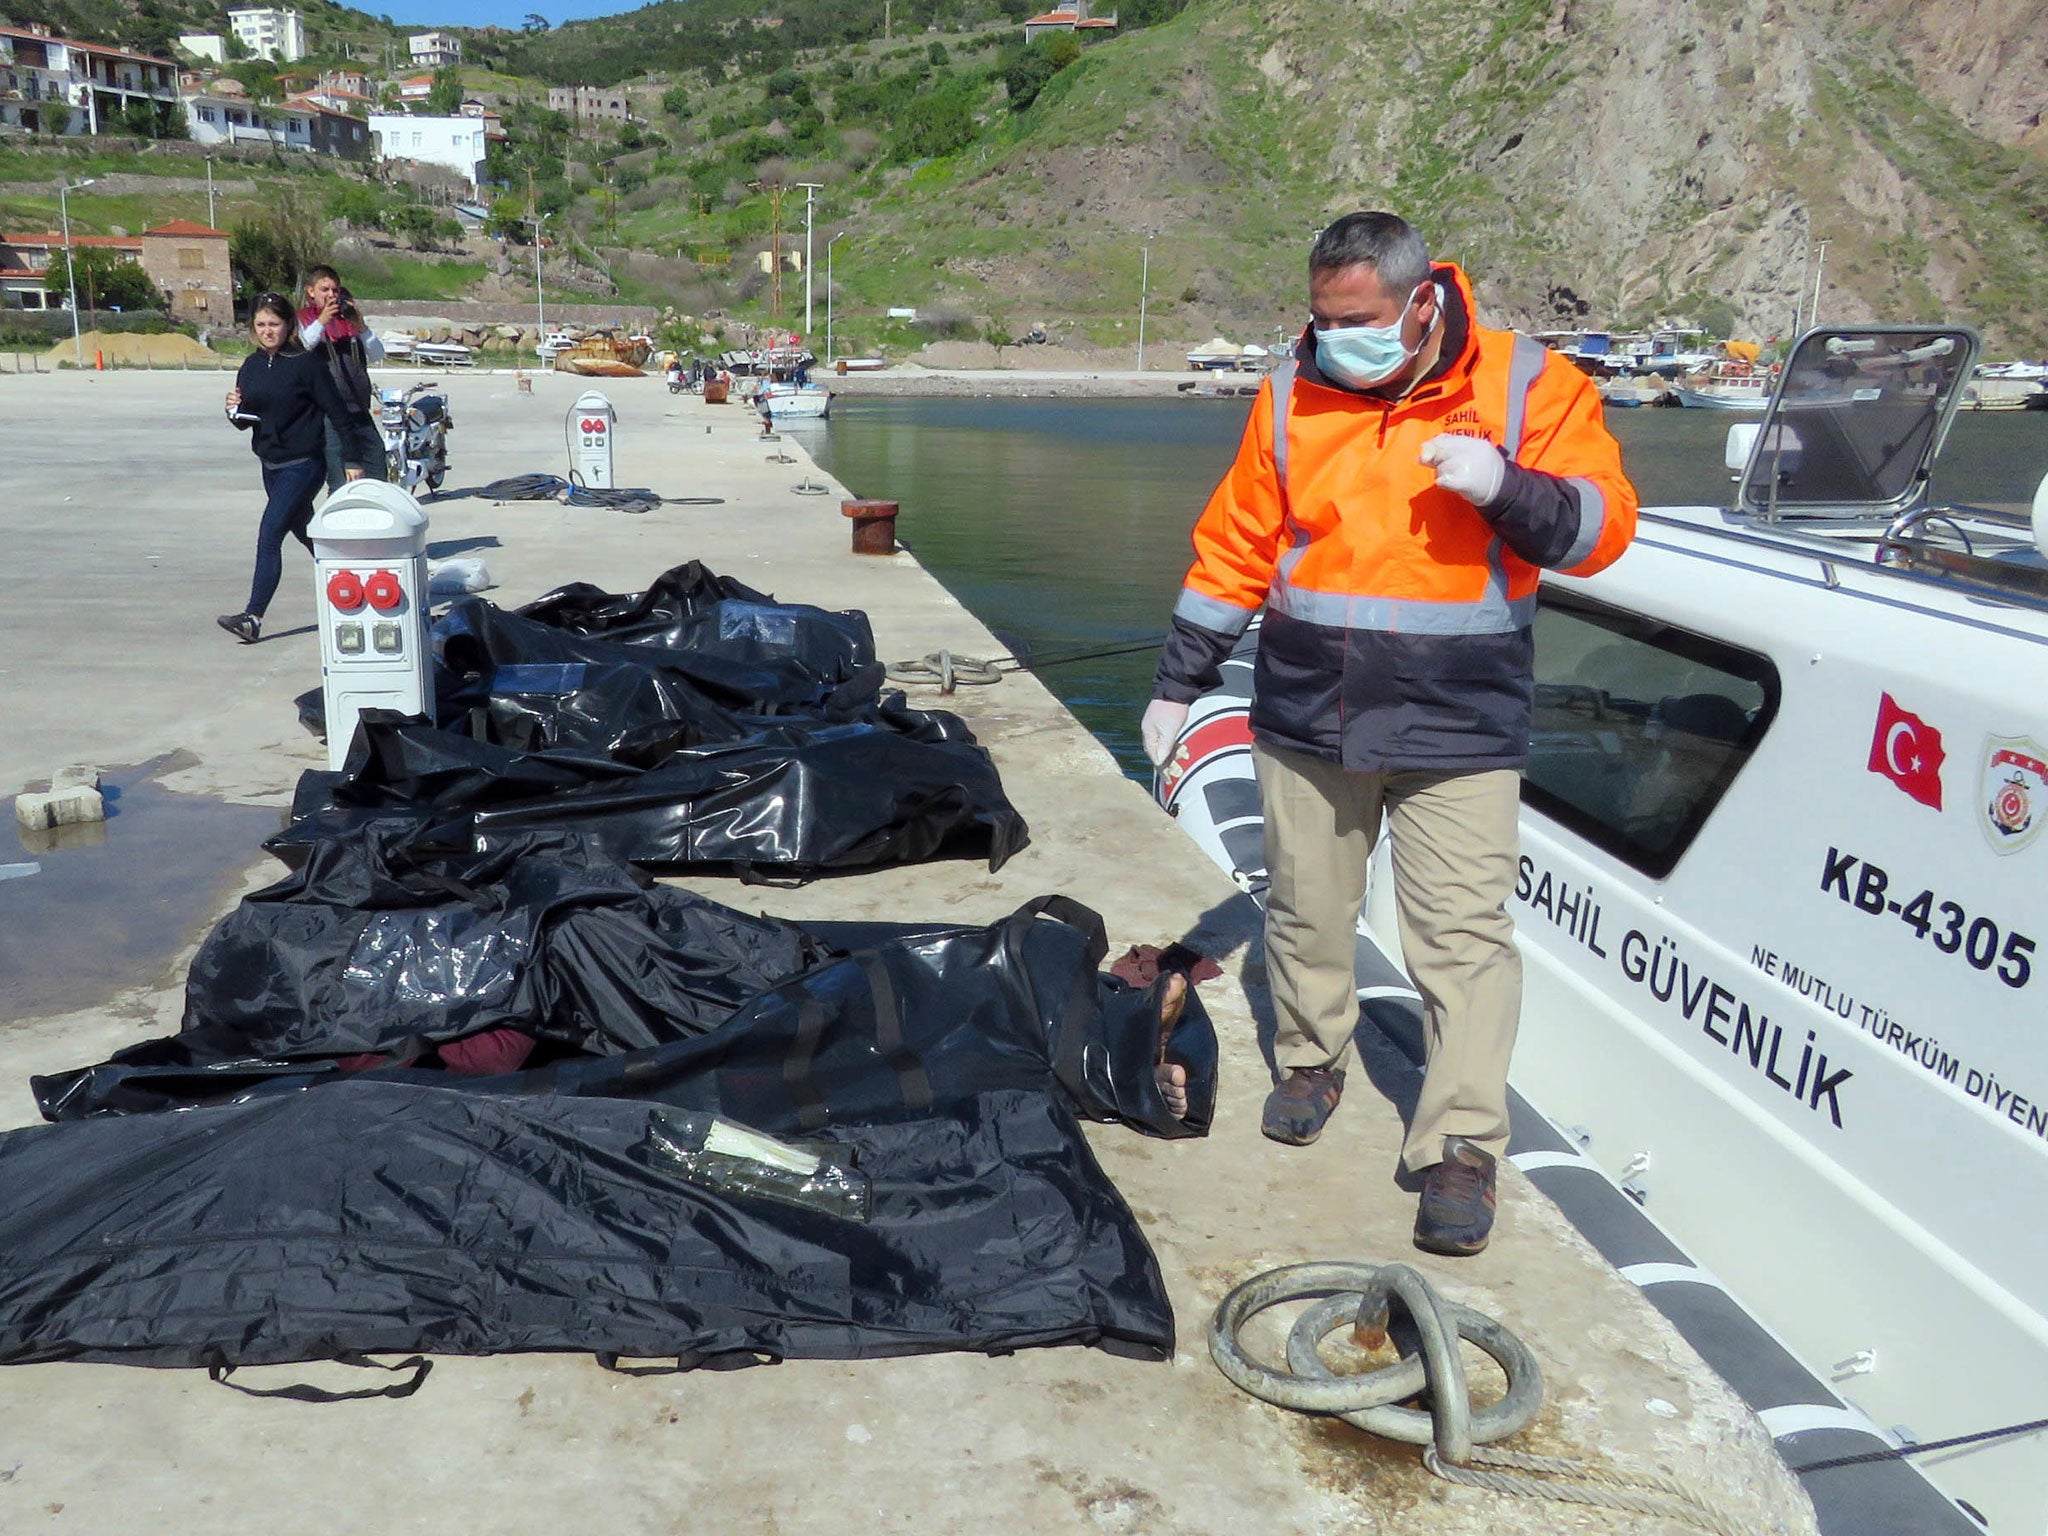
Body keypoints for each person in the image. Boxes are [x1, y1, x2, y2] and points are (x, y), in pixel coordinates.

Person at [1141, 212, 1638, 1255]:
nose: (1334, 339)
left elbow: (1600, 530)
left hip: (1458, 719)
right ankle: (1312, 1060)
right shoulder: (1288, 392)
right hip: (1304, 707)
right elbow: (1238, 541)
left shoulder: (1524, 385)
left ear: (1421, 301)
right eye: (1320, 320)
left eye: (1357, 320)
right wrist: (1179, 682)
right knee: (1306, 912)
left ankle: (1457, 1146)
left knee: (1460, 941)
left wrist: (1507, 490)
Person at [216, 293, 367, 644]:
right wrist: (231, 410)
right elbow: (247, 421)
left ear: (288, 326)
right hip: (270, 464)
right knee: (305, 532)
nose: (268, 331)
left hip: (303, 464)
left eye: (274, 324)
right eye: (261, 325)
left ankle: (252, 617)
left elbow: (338, 413)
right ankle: (355, 584)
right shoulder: (251, 365)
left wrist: (353, 460)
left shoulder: (305, 364)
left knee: (270, 534)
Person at [298, 265, 388, 491]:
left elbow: (378, 354)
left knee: (377, 466)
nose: (331, 295)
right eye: (324, 289)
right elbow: (303, 346)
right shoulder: (304, 320)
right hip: (329, 415)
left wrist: (361, 326)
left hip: (359, 408)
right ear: (311, 292)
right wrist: (322, 321)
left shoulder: (349, 321)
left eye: (335, 290)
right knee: (340, 479)